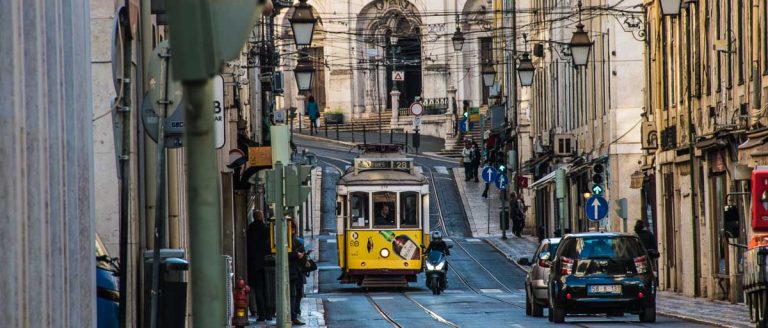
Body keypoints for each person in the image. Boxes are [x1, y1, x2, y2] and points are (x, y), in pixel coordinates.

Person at [246, 210, 270, 321]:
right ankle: (267, 313)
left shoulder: (250, 230)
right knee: (265, 289)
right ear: (261, 218)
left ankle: (259, 313)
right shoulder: (266, 230)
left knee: (256, 290)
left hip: (253, 264)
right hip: (265, 263)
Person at [288, 220, 307, 326]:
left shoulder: (297, 242)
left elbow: (303, 257)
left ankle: (295, 314)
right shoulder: (295, 242)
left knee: (297, 293)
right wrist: (297, 255)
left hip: (297, 271)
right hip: (294, 271)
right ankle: (293, 315)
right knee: (294, 294)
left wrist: (304, 257)